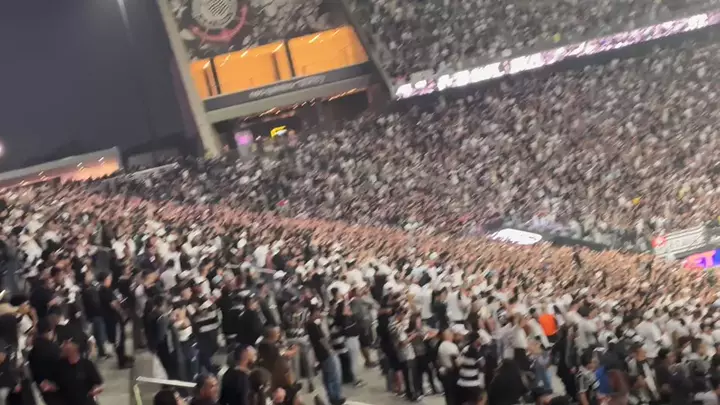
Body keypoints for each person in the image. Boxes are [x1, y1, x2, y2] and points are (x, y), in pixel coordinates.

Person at [306, 303, 344, 405]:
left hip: (320, 354)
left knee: (328, 377)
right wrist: (330, 350)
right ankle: (335, 397)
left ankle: (332, 397)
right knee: (333, 376)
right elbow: (321, 339)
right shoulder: (313, 325)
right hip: (325, 353)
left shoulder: (310, 325)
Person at [97, 271, 131, 368]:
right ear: (105, 279)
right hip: (113, 319)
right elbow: (113, 304)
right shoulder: (104, 290)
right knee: (118, 339)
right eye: (109, 278)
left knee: (121, 338)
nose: (111, 280)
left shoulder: (105, 289)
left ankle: (123, 357)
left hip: (113, 318)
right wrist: (122, 310)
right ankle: (121, 361)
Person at [28, 318, 64, 405]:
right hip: (59, 388)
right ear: (50, 330)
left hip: (45, 390)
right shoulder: (54, 348)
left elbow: (33, 374)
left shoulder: (32, 351)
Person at [56, 340, 103, 405]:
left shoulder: (87, 364)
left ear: (76, 349)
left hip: (86, 401)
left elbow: (98, 383)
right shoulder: (60, 365)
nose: (63, 347)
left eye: (67, 344)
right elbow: (56, 384)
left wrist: (95, 390)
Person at [456, 331, 486, 405]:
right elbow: (482, 363)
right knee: (478, 400)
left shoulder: (465, 348)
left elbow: (458, 362)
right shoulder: (474, 350)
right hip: (472, 383)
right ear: (476, 339)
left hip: (462, 381)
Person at [437, 328, 460, 405]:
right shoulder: (451, 346)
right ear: (449, 335)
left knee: (448, 395)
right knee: (454, 395)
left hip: (445, 372)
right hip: (452, 373)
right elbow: (456, 360)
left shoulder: (441, 345)